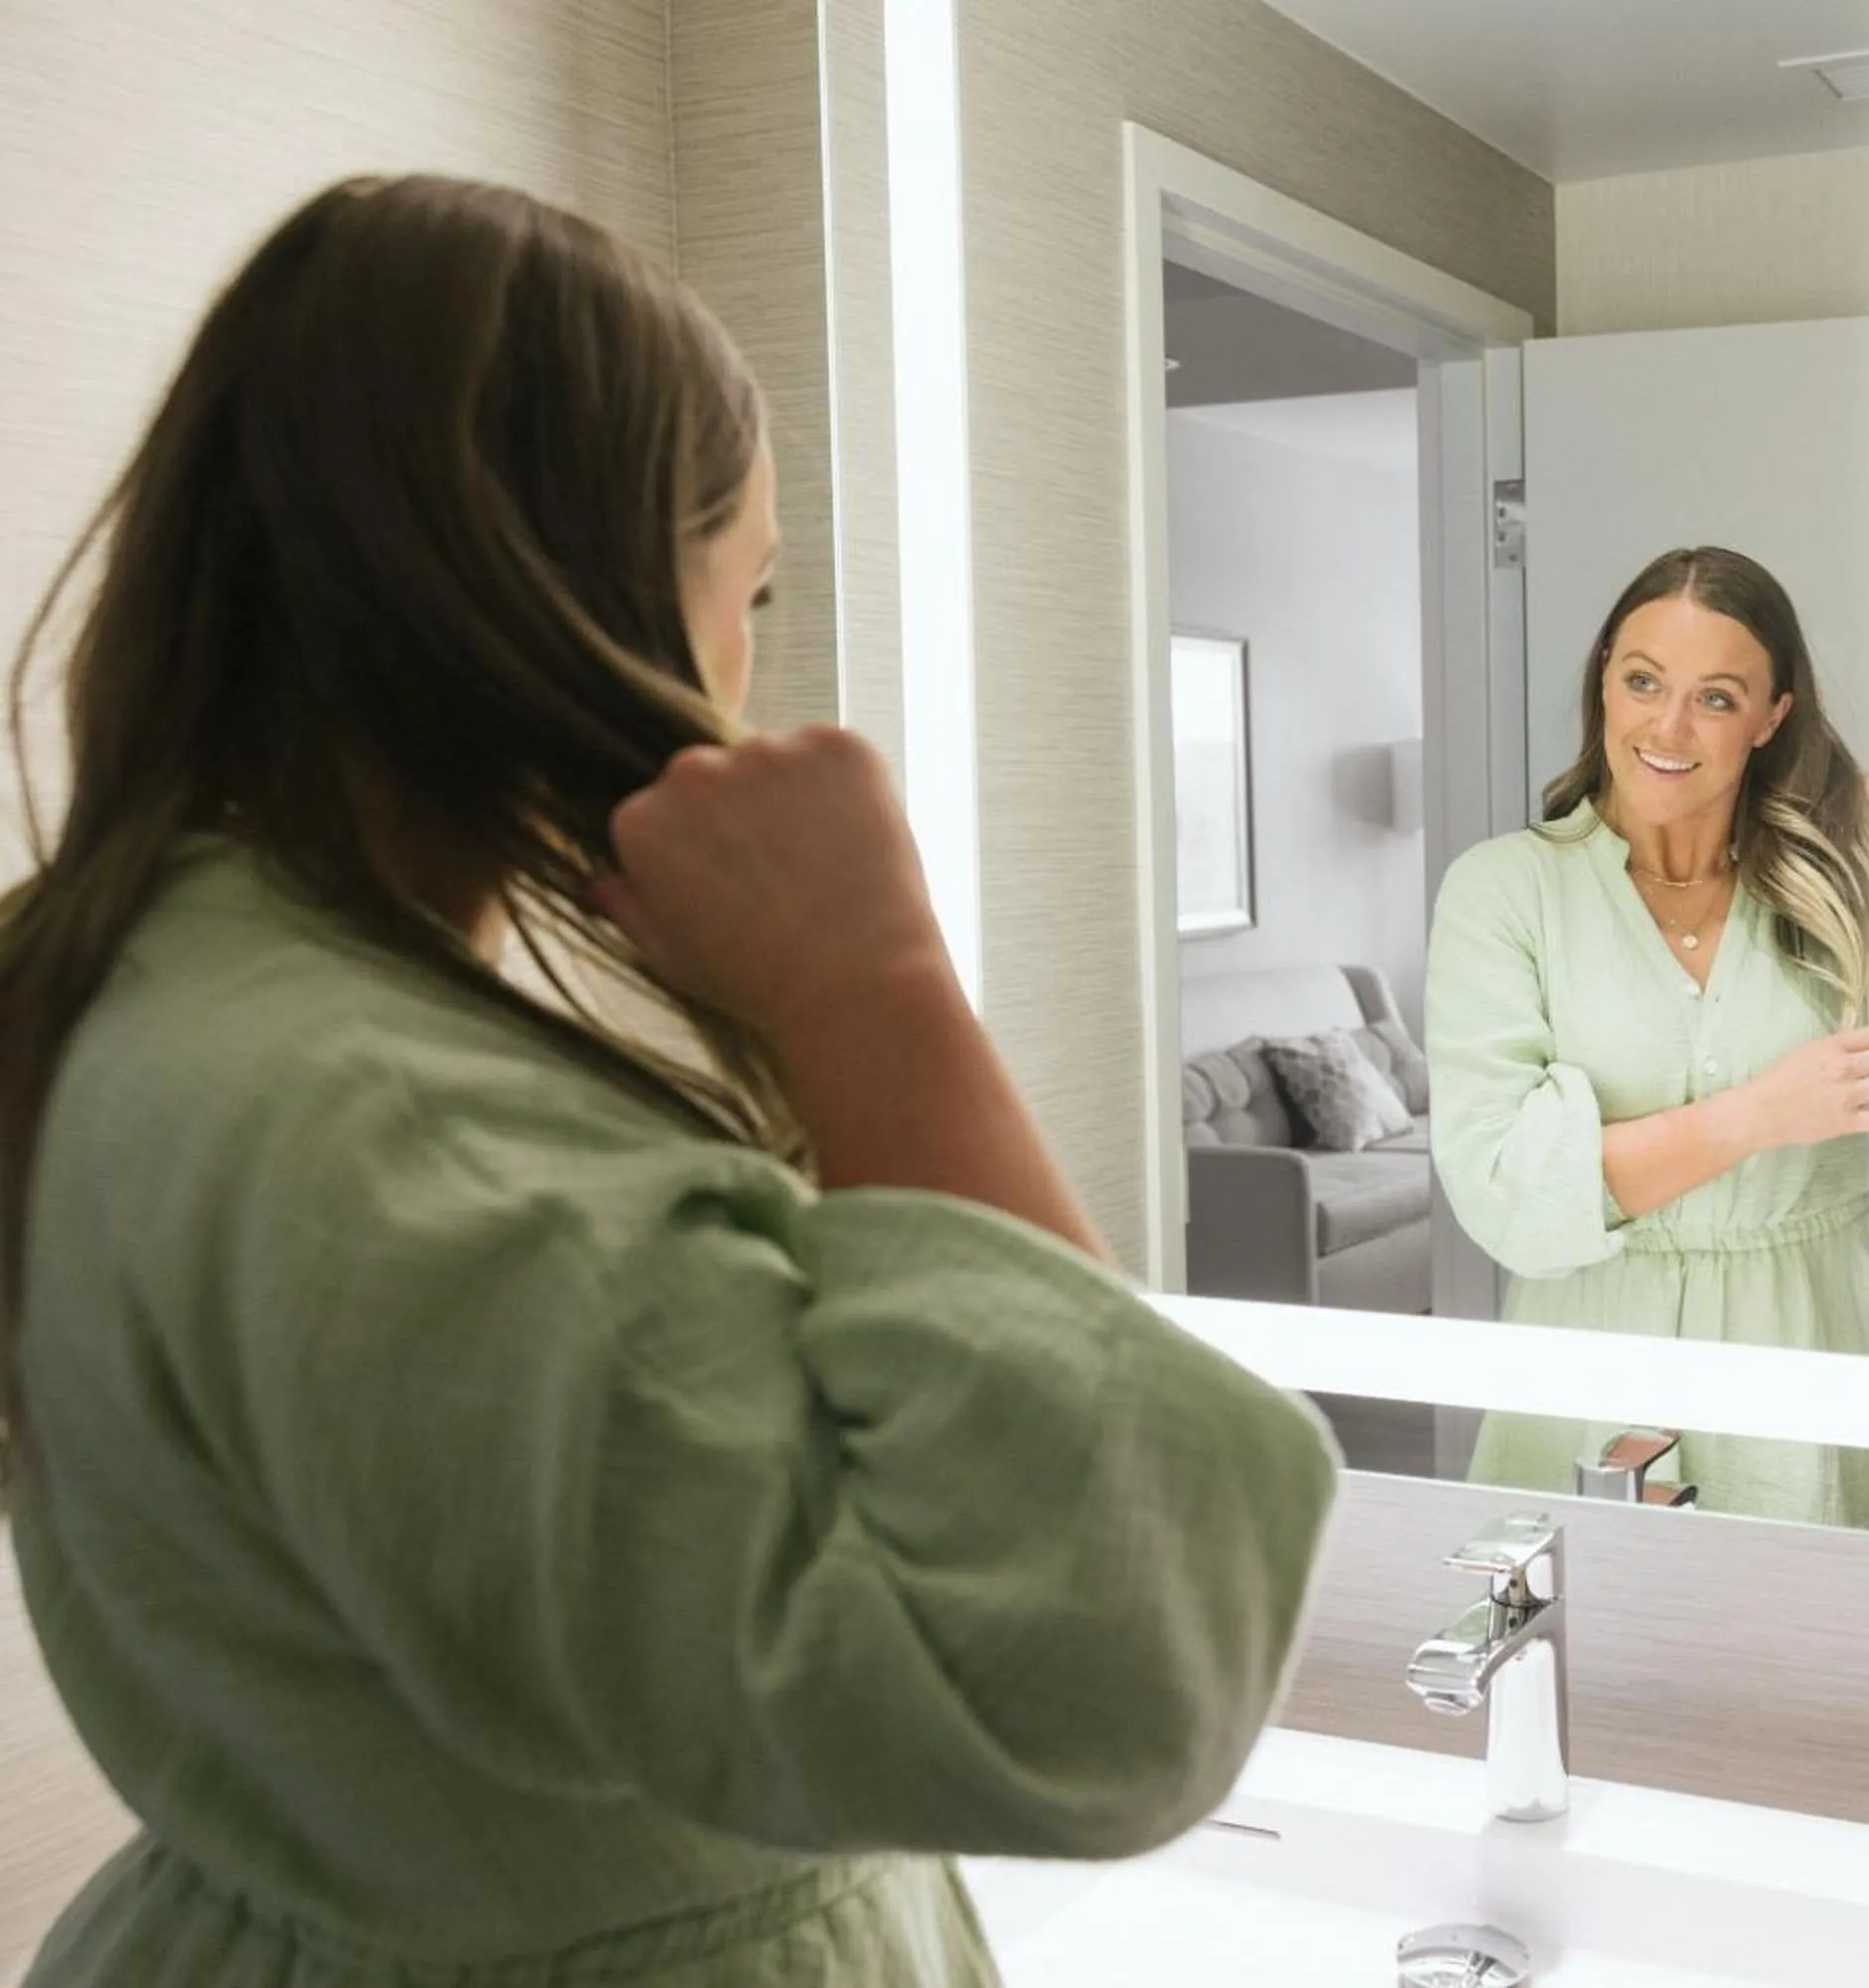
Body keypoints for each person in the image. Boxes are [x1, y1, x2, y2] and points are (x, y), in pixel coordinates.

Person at [0, 175, 1338, 1987]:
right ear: (586, 595)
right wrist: (875, 992)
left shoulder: (124, 994)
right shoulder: (400, 1133)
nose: (746, 662)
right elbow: (1115, 1679)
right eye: (749, 585)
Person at [1425, 546, 1869, 1541]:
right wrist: (1758, 1116)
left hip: (1814, 1348)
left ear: (1772, 716)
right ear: (1604, 677)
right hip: (1591, 1359)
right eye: (1644, 681)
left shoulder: (1841, 888)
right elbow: (1506, 1192)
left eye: (1716, 698)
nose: (1667, 728)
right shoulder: (1504, 891)